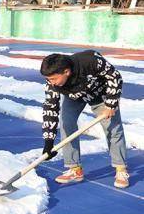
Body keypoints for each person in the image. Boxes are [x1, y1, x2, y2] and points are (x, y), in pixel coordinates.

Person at [40, 51, 129, 188]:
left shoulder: (90, 61)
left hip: (101, 94)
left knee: (112, 127)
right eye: (49, 79)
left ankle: (121, 169)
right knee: (66, 123)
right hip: (74, 96)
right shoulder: (52, 83)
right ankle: (75, 169)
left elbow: (114, 76)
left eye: (54, 79)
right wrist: (49, 141)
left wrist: (111, 104)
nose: (52, 83)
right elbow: (50, 108)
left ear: (66, 71)